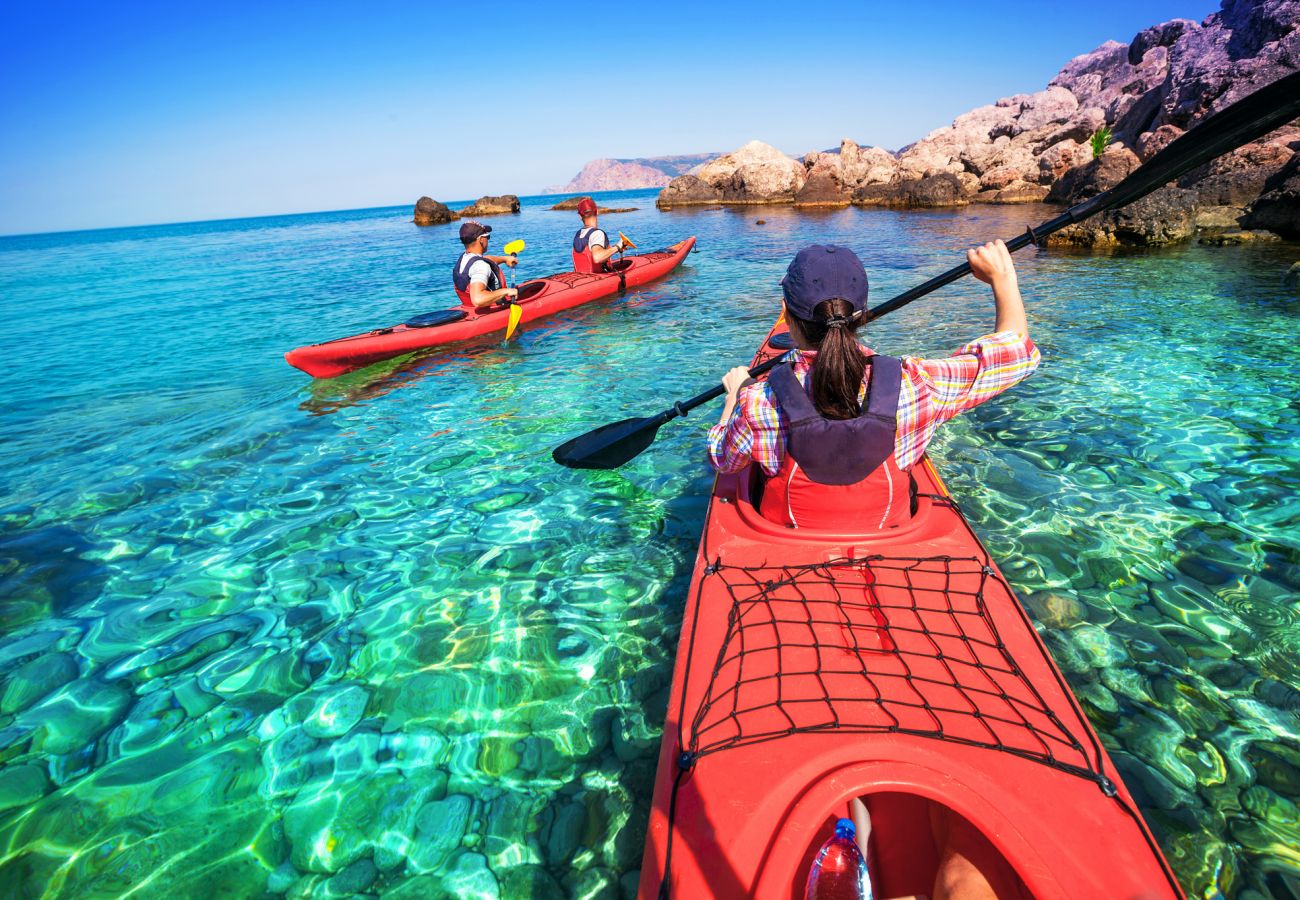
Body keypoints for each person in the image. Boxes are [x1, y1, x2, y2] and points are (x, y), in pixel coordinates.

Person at [708, 241, 1038, 530]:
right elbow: (1017, 354)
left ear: (786, 314)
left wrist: (733, 400)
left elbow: (723, 459)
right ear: (862, 315)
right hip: (890, 534)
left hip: (787, 536)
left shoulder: (756, 403)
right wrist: (1002, 279)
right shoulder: (917, 385)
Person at [453, 221, 519, 309]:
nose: (487, 240)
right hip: (490, 309)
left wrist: (504, 259)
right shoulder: (481, 266)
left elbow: (486, 259)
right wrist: (506, 291)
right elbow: (478, 299)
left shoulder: (465, 258)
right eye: (487, 237)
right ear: (481, 240)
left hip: (469, 308)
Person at [571, 197, 629, 274]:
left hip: (581, 279)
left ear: (580, 216)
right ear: (597, 211)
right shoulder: (597, 234)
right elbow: (597, 258)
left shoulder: (579, 234)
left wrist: (615, 249)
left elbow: (590, 251)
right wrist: (618, 246)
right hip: (597, 279)